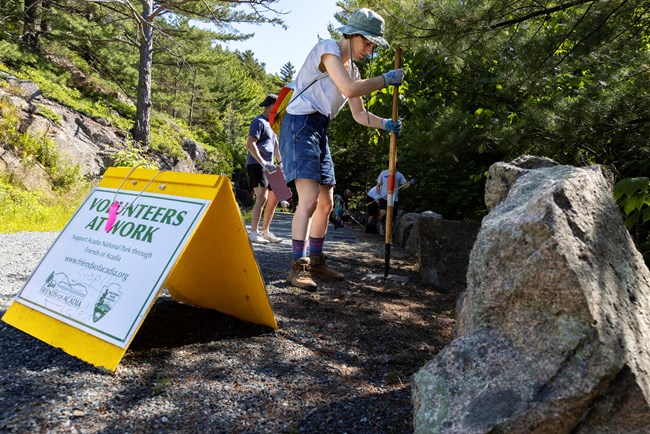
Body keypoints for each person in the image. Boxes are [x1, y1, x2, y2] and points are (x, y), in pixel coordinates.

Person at [279, 8, 404, 291]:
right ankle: (297, 266)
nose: (369, 49)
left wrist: (386, 124)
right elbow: (349, 89)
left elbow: (359, 114)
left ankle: (316, 260)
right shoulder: (327, 50)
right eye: (367, 42)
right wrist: (385, 79)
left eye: (373, 44)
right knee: (309, 200)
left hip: (320, 128)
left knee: (326, 203)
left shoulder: (354, 70)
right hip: (300, 124)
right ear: (351, 34)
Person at [247, 94, 283, 244]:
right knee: (262, 197)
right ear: (271, 106)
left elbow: (275, 145)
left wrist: (281, 161)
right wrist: (262, 162)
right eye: (278, 106)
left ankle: (265, 232)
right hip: (257, 164)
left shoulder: (273, 124)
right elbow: (250, 143)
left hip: (271, 165)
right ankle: (253, 232)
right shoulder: (258, 122)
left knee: (276, 197)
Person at [376, 167, 410, 235]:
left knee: (392, 217)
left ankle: (388, 233)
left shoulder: (399, 175)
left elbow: (405, 185)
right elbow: (378, 185)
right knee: (383, 213)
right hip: (384, 198)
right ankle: (382, 224)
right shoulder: (383, 173)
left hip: (394, 199)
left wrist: (407, 185)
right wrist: (378, 195)